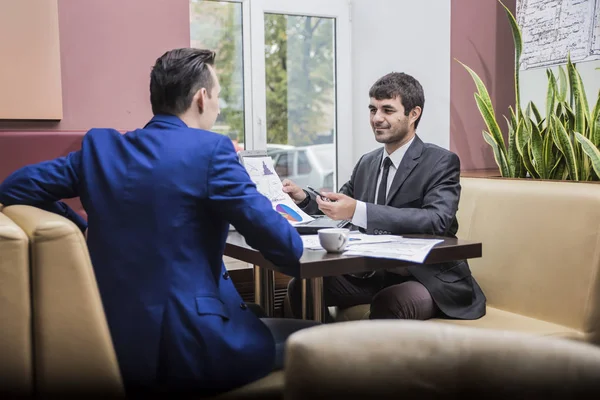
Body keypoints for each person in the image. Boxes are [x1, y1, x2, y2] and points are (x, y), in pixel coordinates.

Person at [0, 48, 318, 397]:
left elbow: (13, 187)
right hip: (190, 349)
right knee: (317, 336)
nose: (218, 106)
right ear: (201, 98)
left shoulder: (101, 149)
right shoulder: (211, 151)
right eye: (218, 97)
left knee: (257, 315)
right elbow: (286, 246)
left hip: (113, 339)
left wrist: (79, 226)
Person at [283, 72, 486, 322]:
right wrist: (304, 197)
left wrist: (359, 210)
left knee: (390, 302)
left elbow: (437, 220)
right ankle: (320, 358)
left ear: (414, 114)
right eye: (372, 109)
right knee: (300, 287)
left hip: (427, 278)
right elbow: (341, 203)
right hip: (373, 274)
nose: (376, 118)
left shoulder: (441, 162)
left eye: (388, 110)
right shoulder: (368, 163)